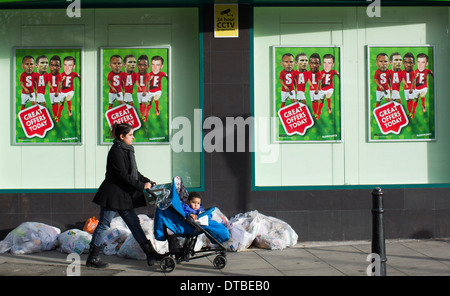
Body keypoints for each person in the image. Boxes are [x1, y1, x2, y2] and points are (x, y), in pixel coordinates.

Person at [87, 123, 164, 268]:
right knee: (103, 225)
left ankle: (150, 254)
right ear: (122, 137)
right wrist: (141, 186)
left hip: (123, 196)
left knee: (134, 224)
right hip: (113, 195)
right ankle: (92, 258)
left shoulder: (127, 150)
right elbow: (122, 175)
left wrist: (146, 180)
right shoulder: (116, 151)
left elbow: (134, 172)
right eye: (130, 135)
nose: (133, 137)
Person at [413, 53, 434, 117]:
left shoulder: (427, 71)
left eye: (423, 62)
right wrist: (415, 78)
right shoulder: (415, 72)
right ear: (416, 62)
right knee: (416, 100)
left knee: (422, 94)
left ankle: (423, 106)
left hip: (424, 87)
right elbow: (411, 82)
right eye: (419, 62)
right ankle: (413, 111)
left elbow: (432, 73)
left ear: (426, 64)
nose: (420, 65)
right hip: (416, 88)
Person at [307, 53, 322, 119]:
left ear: (319, 64)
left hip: (317, 89)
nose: (314, 65)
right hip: (311, 90)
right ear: (309, 64)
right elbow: (308, 80)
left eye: (316, 63)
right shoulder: (308, 73)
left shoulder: (319, 73)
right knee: (313, 101)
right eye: (312, 63)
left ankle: (317, 113)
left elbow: (319, 81)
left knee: (316, 100)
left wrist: (317, 89)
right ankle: (314, 112)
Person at [401, 52, 417, 117]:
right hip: (406, 89)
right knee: (407, 100)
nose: (408, 64)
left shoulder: (413, 72)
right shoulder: (403, 72)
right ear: (403, 63)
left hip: (411, 89)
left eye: (410, 63)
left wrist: (411, 88)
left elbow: (413, 81)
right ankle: (409, 111)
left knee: (411, 100)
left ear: (413, 64)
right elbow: (402, 79)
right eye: (406, 62)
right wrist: (406, 85)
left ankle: (411, 112)